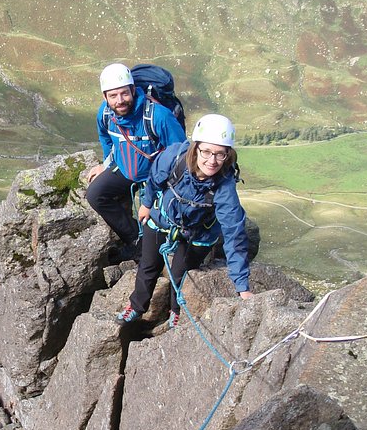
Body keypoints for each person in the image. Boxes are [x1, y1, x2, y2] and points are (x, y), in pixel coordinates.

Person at [116, 113, 254, 328]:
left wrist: (242, 287)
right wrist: (146, 203)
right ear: (195, 147)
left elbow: (234, 234)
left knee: (181, 273)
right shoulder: (174, 157)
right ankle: (136, 306)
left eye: (220, 154)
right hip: (164, 217)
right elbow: (154, 179)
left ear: (228, 155)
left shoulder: (224, 187)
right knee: (149, 265)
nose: (212, 160)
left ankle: (176, 309)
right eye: (206, 151)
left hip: (198, 232)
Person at [87, 63, 186, 262]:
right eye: (113, 96)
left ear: (133, 90)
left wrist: (160, 188)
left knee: (152, 218)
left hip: (157, 177)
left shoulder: (158, 115)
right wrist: (105, 164)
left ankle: (153, 253)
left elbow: (180, 153)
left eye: (124, 93)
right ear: (104, 97)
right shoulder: (105, 114)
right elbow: (105, 137)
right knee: (96, 194)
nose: (120, 100)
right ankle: (135, 240)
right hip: (125, 168)